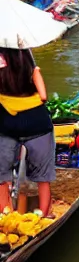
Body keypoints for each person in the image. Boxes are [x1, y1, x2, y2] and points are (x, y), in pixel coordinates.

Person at [0, 48, 55, 217]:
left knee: (1, 176)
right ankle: (44, 214)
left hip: (5, 127)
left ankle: (5, 216)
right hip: (38, 125)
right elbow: (44, 96)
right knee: (42, 177)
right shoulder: (32, 70)